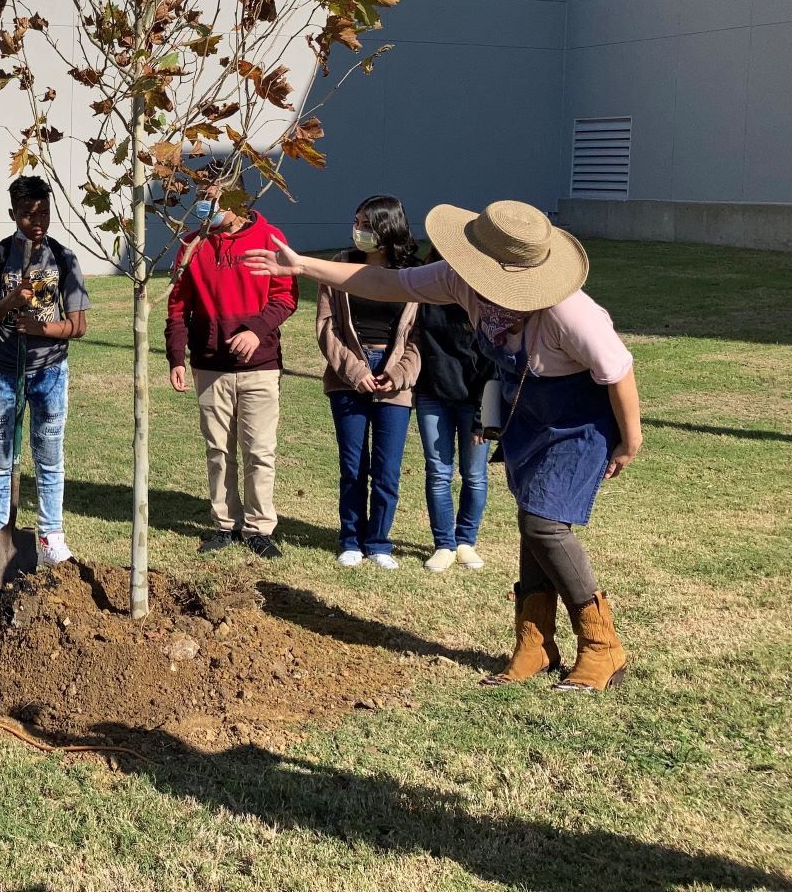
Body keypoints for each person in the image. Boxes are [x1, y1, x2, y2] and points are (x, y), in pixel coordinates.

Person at [245, 200, 642, 692]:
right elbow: (386, 284)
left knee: (545, 525)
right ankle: (535, 644)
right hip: (530, 415)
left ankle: (604, 648)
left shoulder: (570, 311)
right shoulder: (459, 280)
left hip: (580, 421)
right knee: (531, 523)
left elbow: (618, 372)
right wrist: (304, 266)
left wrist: (631, 439)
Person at [165, 165, 298, 559]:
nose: (204, 205)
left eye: (212, 198)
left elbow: (286, 296)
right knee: (218, 450)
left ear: (238, 201)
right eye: (201, 198)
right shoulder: (191, 245)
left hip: (259, 366)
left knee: (259, 449)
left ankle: (259, 527)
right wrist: (177, 356)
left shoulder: (269, 239)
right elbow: (177, 307)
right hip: (210, 365)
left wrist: (256, 330)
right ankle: (225, 524)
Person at [0, 175, 90, 572]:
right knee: (2, 456)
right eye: (26, 215)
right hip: (4, 373)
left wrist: (42, 329)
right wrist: (9, 302)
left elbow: (79, 325)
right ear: (12, 214)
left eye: (43, 213)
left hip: (50, 372)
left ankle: (51, 535)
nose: (36, 222)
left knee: (49, 455)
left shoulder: (64, 258)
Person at [316, 196, 421, 570]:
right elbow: (326, 327)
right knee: (352, 465)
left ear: (386, 227)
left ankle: (379, 542)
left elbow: (419, 337)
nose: (357, 229)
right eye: (356, 220)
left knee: (387, 468)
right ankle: (350, 540)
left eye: (365, 223)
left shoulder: (413, 273)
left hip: (395, 379)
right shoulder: (340, 267)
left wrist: (399, 373)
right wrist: (356, 372)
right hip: (349, 377)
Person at [414, 247, 493, 573]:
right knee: (438, 473)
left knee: (474, 475)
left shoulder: (485, 303)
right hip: (433, 397)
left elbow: (494, 366)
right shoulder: (424, 297)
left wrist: (483, 419)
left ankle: (466, 541)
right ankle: (444, 544)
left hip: (475, 402)